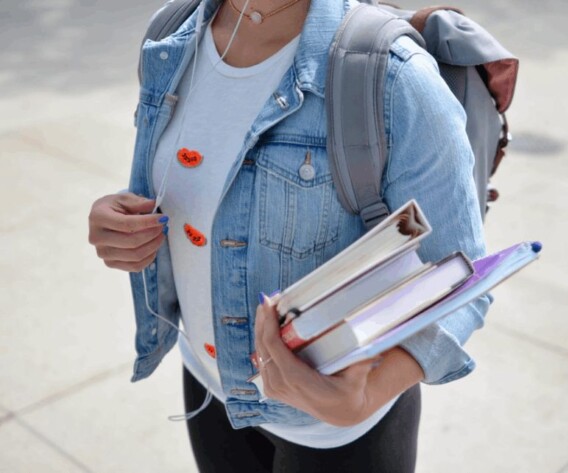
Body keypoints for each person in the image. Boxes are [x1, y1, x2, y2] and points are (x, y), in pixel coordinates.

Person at [87, 0, 490, 471]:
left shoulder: (394, 77)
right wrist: (121, 219)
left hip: (336, 434)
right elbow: (196, 182)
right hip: (208, 384)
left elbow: (459, 278)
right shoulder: (171, 33)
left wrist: (363, 398)